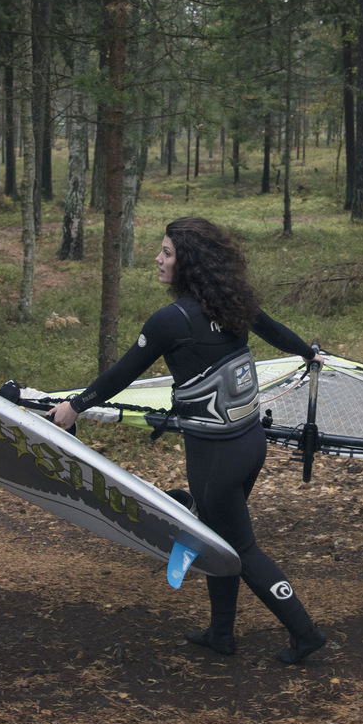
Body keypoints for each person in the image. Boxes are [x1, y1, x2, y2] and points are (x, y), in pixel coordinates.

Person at [49, 216, 328, 665]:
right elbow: (274, 331)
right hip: (247, 442)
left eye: (166, 253)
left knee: (241, 548)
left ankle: (305, 631)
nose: (158, 260)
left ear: (188, 263)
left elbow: (122, 373)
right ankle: (221, 634)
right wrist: (307, 352)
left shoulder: (170, 320)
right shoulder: (229, 303)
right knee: (216, 537)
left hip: (217, 456)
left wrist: (75, 406)